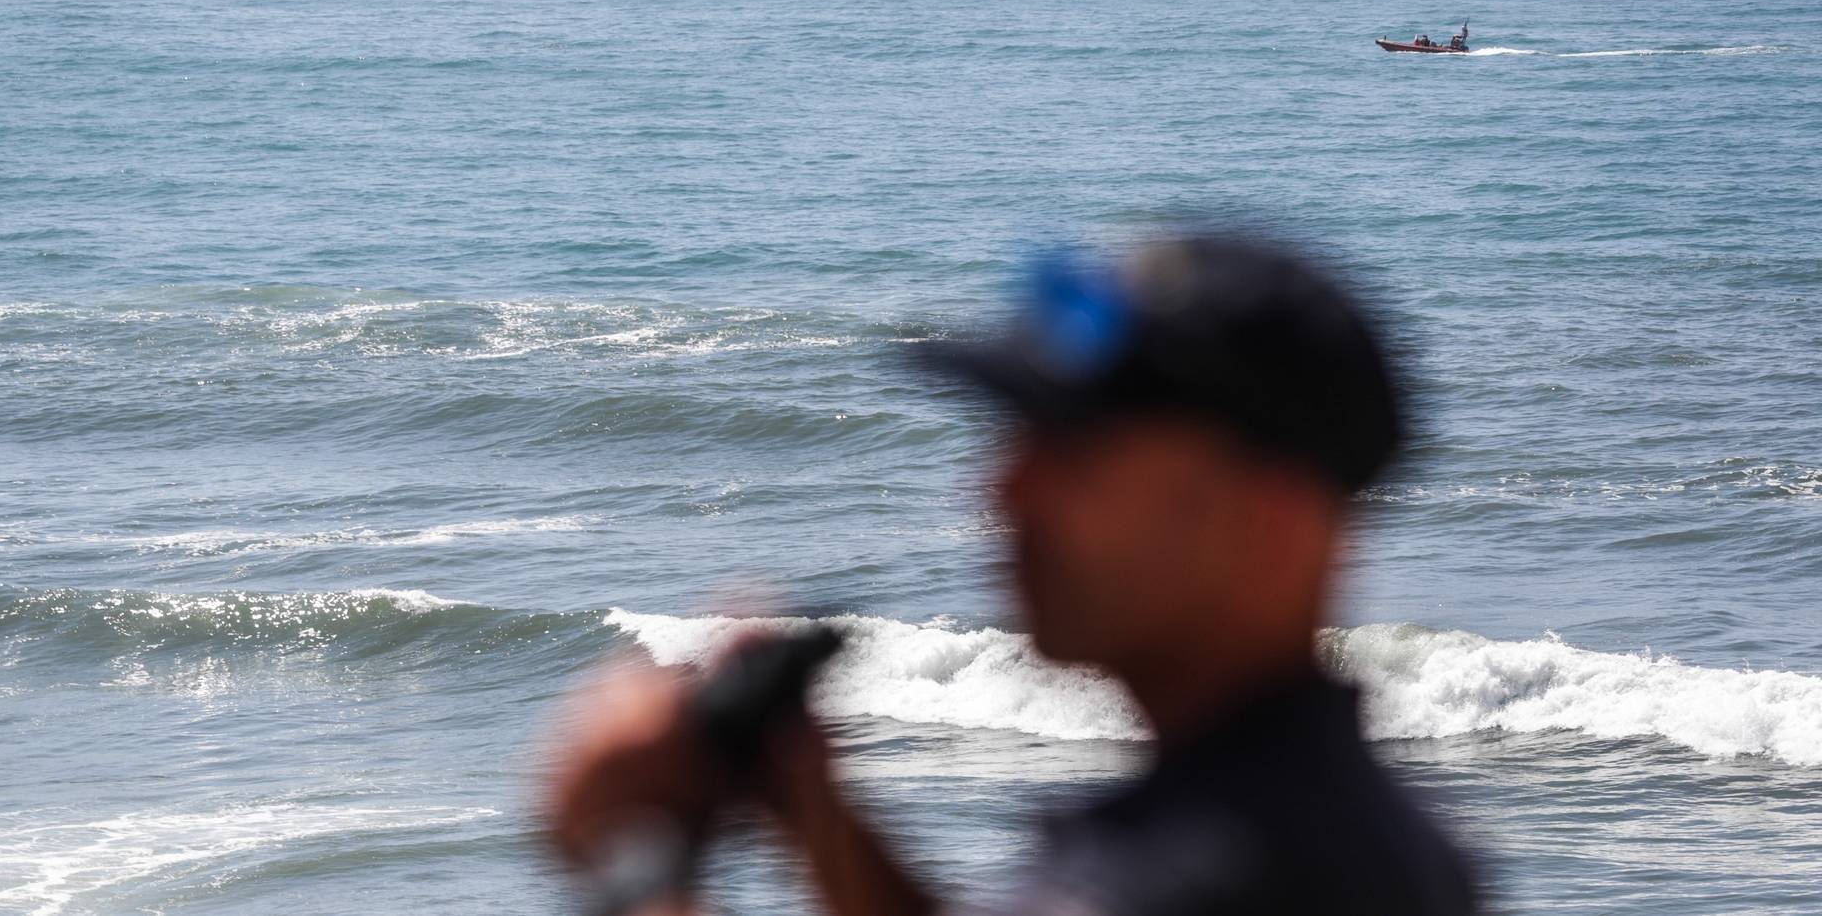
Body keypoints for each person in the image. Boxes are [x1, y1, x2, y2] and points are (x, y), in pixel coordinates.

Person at [548, 233, 1480, 916]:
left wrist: (634, 866)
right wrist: (813, 810)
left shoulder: (1213, 872)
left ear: (1272, 522)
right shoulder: (1328, 825)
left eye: (1073, 451)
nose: (1003, 486)